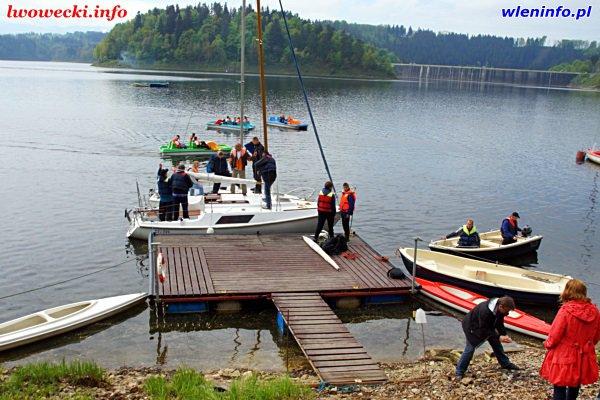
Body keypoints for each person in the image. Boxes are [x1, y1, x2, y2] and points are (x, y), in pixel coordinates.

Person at [540, 279, 600, 400]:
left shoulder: (566, 310)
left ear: (567, 291)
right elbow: (596, 336)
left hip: (565, 353)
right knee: (575, 383)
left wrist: (547, 344)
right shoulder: (595, 311)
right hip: (584, 354)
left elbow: (555, 334)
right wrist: (587, 345)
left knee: (559, 384)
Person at [455, 296, 520, 379]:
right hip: (472, 327)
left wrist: (504, 334)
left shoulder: (500, 308)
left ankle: (505, 363)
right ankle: (459, 371)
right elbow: (483, 329)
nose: (507, 313)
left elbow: (499, 323)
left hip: (487, 326)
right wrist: (498, 337)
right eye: (507, 311)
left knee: (496, 344)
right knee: (470, 349)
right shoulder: (485, 311)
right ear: (501, 306)